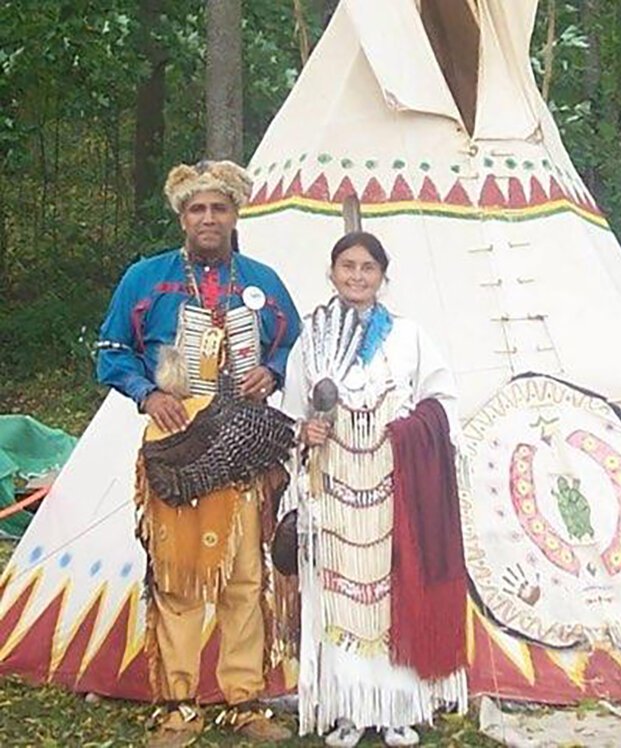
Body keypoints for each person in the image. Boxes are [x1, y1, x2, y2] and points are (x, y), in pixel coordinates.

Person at [96, 160, 300, 746]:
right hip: (177, 440)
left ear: (236, 215)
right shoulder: (145, 279)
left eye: (219, 208)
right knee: (180, 576)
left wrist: (272, 368)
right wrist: (147, 391)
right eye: (197, 209)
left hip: (243, 442)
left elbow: (292, 340)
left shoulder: (262, 280)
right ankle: (179, 705)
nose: (208, 218)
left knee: (243, 575)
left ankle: (244, 701)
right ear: (182, 217)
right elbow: (111, 350)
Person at [282, 232, 469, 747]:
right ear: (332, 272)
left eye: (368, 268)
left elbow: (443, 400)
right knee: (339, 599)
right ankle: (348, 709)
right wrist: (306, 431)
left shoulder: (408, 336)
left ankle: (396, 709)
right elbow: (292, 409)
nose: (357, 276)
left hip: (395, 481)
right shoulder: (312, 338)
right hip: (334, 481)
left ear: (384, 276)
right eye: (347, 266)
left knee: (392, 592)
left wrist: (411, 430)